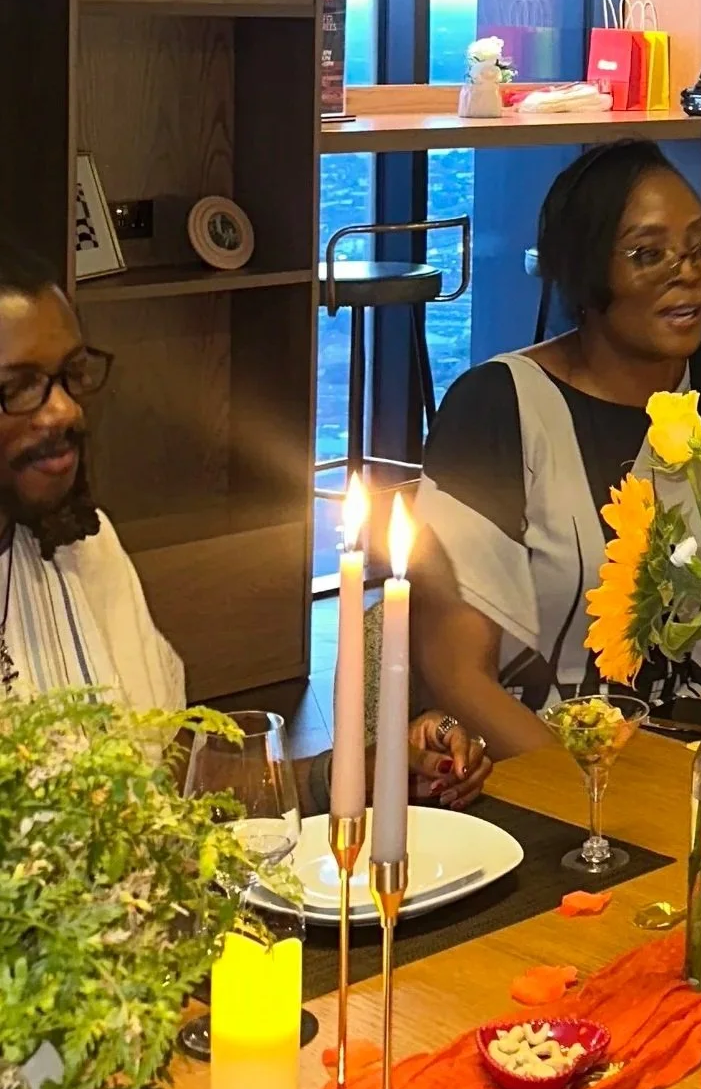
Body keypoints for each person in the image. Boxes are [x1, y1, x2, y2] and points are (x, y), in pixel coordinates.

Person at [0, 245, 485, 808]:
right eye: (18, 388)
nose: (65, 412)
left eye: (72, 376)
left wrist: (356, 773)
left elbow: (173, 782)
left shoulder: (80, 546)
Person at [410, 140, 701, 758]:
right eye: (649, 254)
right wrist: (602, 793)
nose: (689, 274)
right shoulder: (497, 407)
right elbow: (458, 675)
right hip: (546, 768)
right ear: (584, 270)